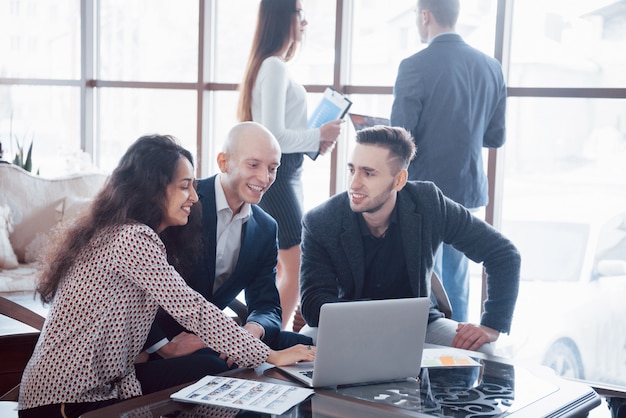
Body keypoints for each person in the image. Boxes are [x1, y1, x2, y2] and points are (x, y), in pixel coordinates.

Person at [17, 134, 315, 418]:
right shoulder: (133, 239)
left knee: (207, 369)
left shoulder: (129, 232)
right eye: (185, 187)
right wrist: (269, 356)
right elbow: (192, 308)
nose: (194, 197)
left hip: (110, 384)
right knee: (209, 371)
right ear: (155, 189)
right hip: (67, 399)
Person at [299, 126, 520, 353]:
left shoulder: (428, 203)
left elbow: (503, 254)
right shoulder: (321, 221)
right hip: (349, 326)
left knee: (483, 350)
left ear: (399, 180)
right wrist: (379, 315)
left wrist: (492, 325)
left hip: (419, 326)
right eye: (352, 170)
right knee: (304, 344)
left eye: (368, 173)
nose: (354, 183)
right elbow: (314, 304)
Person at [140, 122, 313, 391]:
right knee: (219, 365)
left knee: (307, 347)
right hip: (159, 338)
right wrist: (162, 345)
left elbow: (267, 304)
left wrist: (253, 330)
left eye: (272, 168)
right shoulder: (183, 202)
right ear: (223, 162)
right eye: (253, 165)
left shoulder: (266, 227)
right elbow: (138, 284)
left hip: (217, 334)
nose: (265, 178)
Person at [390, 0, 507, 322]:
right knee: (456, 283)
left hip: (423, 191)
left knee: (422, 282)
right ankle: (457, 362)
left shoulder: (414, 65)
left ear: (425, 16)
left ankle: (422, 357)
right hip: (467, 189)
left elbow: (401, 138)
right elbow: (495, 137)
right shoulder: (491, 66)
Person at [237, 0, 343, 328]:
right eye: (300, 13)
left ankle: (264, 339)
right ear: (284, 16)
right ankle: (271, 345)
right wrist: (317, 135)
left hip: (287, 172)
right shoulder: (274, 66)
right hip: (279, 177)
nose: (305, 22)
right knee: (295, 266)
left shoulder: (272, 65)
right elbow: (274, 136)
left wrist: (314, 140)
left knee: (285, 266)